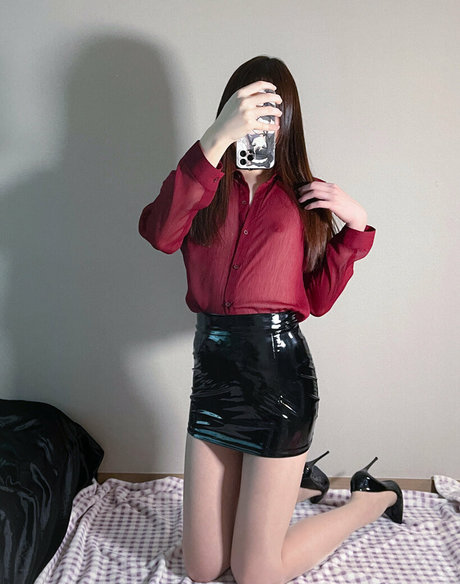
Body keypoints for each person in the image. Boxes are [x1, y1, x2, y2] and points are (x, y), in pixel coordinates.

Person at [138, 55, 403, 584]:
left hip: (280, 382)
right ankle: (300, 484)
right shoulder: (200, 183)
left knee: (255, 572)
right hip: (213, 382)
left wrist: (356, 226)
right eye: (247, 109)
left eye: (270, 112)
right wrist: (214, 140)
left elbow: (318, 299)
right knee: (203, 569)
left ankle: (372, 500)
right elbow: (160, 234)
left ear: (288, 122)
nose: (259, 122)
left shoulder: (305, 197)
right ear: (228, 111)